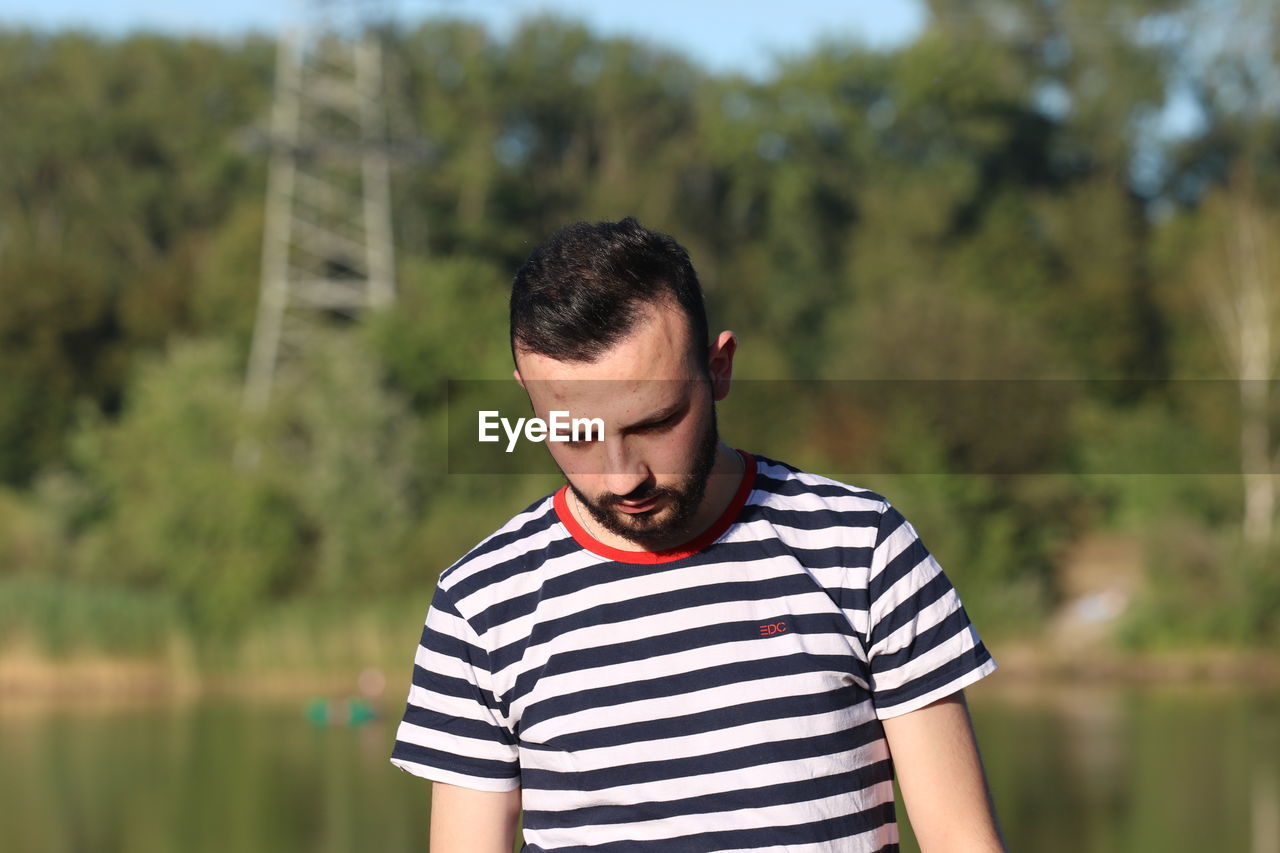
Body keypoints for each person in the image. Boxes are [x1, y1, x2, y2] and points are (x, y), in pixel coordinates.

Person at [390, 217, 1007, 852]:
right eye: (574, 432)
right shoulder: (480, 605)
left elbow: (963, 840)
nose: (623, 476)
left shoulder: (862, 547)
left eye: (655, 423)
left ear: (719, 369)